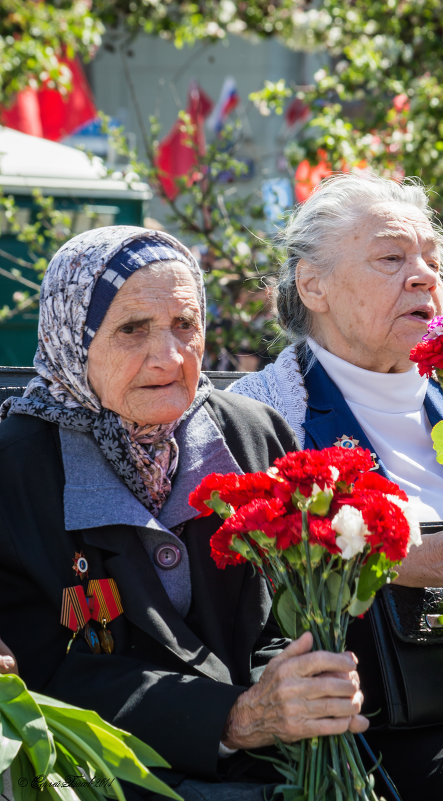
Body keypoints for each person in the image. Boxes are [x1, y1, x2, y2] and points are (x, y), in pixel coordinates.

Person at [229, 171, 443, 800]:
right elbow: (253, 581)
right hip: (372, 731)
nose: (423, 277)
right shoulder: (260, 413)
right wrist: (437, 558)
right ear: (313, 284)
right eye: (391, 258)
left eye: (432, 262)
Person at [0, 226, 368, 801]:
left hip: (280, 762)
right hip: (110, 776)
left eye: (185, 325)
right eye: (132, 329)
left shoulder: (250, 434)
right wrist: (234, 717)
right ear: (75, 338)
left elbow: (288, 615)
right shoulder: (17, 469)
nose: (169, 357)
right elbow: (43, 677)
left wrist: (297, 690)